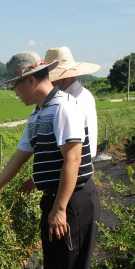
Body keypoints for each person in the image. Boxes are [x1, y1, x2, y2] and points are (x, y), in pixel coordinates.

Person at [0, 50, 100, 269]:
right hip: (54, 200)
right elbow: (20, 155)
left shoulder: (64, 107)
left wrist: (60, 208)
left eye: (14, 86)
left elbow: (73, 160)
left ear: (30, 81)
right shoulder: (38, 115)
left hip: (72, 200)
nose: (15, 92)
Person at [19, 46, 101, 194]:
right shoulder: (59, 101)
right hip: (68, 171)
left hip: (76, 173)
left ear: (66, 76)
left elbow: (75, 157)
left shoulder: (74, 101)